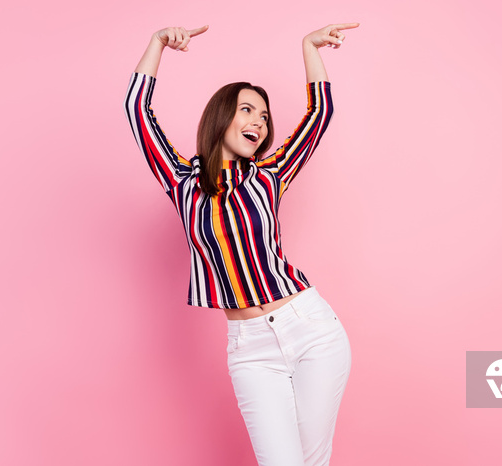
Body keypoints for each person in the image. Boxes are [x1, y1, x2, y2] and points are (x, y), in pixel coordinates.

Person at [124, 22, 358, 466]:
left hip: (309, 328)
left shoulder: (271, 176)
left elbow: (319, 115)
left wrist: (307, 45)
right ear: (220, 117)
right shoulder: (182, 182)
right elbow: (137, 111)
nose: (258, 121)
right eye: (247, 109)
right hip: (250, 347)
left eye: (264, 116)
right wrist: (156, 43)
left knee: (312, 461)